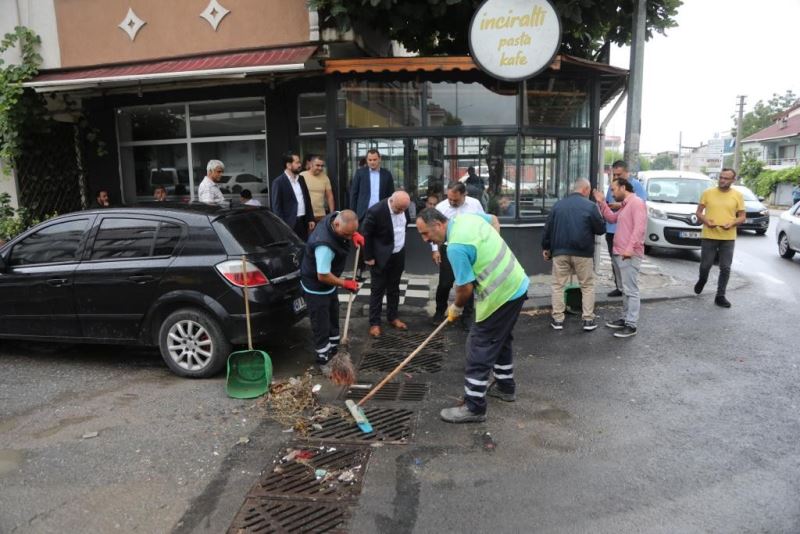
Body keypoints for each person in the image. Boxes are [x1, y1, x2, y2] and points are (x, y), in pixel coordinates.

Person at [416, 208, 528, 423]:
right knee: (501, 338)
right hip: (516, 282)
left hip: (501, 294)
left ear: (438, 224)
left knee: (479, 344)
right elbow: (494, 219)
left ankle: (474, 407)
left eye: (425, 233)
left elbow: (464, 288)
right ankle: (506, 387)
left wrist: (456, 308)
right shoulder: (467, 218)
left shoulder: (456, 247)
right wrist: (492, 248)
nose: (424, 239)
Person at [300, 210, 365, 366]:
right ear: (336, 225)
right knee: (321, 322)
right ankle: (323, 357)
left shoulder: (336, 216)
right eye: (347, 234)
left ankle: (336, 348)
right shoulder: (324, 246)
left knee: (333, 313)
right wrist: (345, 283)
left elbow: (344, 219)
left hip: (328, 285)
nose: (349, 238)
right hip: (316, 286)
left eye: (352, 233)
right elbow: (322, 276)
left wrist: (354, 233)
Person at [541, 178, 606, 331]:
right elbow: (601, 229)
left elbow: (547, 229)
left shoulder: (558, 205)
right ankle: (588, 320)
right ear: (585, 189)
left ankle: (558, 320)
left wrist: (546, 248)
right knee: (587, 285)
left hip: (560, 252)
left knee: (558, 285)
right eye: (589, 190)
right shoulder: (590, 206)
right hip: (583, 252)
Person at [593, 178, 648, 338]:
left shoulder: (636, 203)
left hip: (628, 254)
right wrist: (602, 203)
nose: (612, 193)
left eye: (613, 189)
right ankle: (626, 319)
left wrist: (630, 249)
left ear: (623, 187)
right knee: (625, 289)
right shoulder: (626, 205)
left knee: (631, 290)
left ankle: (631, 325)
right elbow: (611, 218)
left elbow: (639, 228)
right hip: (620, 252)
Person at [431, 182, 485, 329]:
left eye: (455, 199)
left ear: (464, 194)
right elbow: (434, 229)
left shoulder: (475, 204)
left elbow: (483, 223)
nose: (452, 202)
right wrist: (435, 249)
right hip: (449, 249)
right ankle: (439, 312)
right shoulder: (441, 207)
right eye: (450, 199)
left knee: (467, 283)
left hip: (469, 249)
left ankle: (466, 317)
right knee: (445, 283)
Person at [694, 168, 745, 308]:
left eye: (726, 178)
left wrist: (733, 223)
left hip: (728, 237)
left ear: (733, 180)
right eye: (721, 177)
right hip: (709, 235)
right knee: (706, 265)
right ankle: (702, 280)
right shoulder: (708, 193)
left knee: (725, 267)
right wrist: (706, 221)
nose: (722, 180)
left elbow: (742, 217)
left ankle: (720, 296)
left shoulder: (738, 195)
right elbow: (698, 212)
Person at [362, 191, 411, 338]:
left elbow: (404, 227)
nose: (402, 211)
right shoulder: (376, 211)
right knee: (378, 289)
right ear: (392, 201)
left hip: (398, 253)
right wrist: (368, 256)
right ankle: (375, 323)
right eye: (399, 209)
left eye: (404, 209)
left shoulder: (403, 207)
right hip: (380, 256)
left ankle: (393, 317)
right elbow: (366, 234)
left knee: (394, 288)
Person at [604, 160, 647, 297]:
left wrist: (620, 205)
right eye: (614, 175)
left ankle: (628, 294)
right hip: (612, 229)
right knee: (615, 262)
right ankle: (619, 287)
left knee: (628, 268)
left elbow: (640, 210)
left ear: (627, 173)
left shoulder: (635, 187)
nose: (616, 178)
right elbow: (608, 206)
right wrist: (603, 204)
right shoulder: (613, 186)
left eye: (619, 174)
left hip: (628, 234)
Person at [351, 149, 394, 278]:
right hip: (364, 213)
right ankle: (359, 268)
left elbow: (391, 195)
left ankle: (378, 267)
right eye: (370, 160)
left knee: (380, 240)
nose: (372, 162)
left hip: (381, 213)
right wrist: (353, 214)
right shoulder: (360, 173)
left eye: (375, 160)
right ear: (367, 160)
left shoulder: (387, 174)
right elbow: (354, 194)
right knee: (363, 241)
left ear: (379, 159)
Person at [271, 151, 315, 240]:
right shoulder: (278, 182)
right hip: (289, 224)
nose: (300, 165)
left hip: (303, 222)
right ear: (288, 165)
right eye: (297, 162)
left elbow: (307, 199)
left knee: (304, 247)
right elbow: (276, 207)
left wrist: (310, 218)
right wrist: (283, 226)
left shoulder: (301, 179)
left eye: (299, 162)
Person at [300, 155, 335, 223]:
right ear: (311, 164)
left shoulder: (325, 177)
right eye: (317, 165)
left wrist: (332, 214)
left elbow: (330, 197)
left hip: (321, 215)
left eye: (322, 166)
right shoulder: (302, 176)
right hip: (306, 215)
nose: (320, 168)